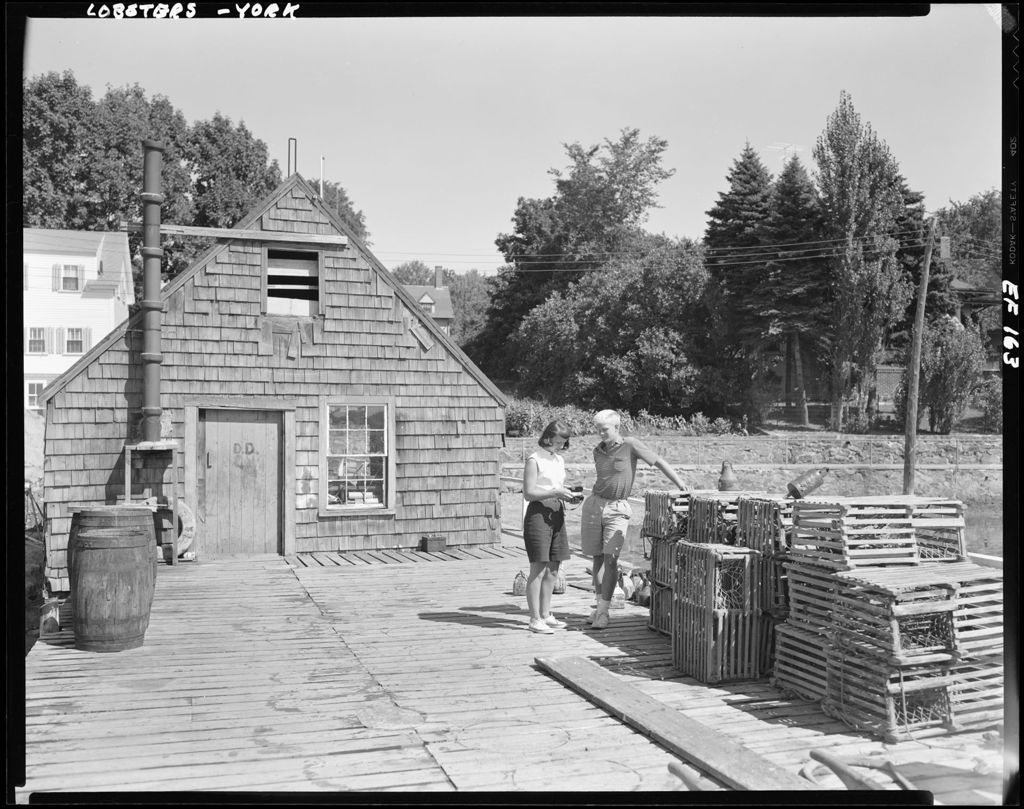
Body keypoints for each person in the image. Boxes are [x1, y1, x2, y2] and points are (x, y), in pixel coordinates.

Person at [582, 409, 687, 629]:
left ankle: (603, 612)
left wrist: (680, 484)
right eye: (598, 430)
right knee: (598, 559)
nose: (601, 434)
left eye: (605, 430)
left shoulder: (630, 445)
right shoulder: (598, 451)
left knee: (611, 559)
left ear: (617, 427)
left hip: (618, 507)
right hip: (594, 505)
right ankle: (599, 607)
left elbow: (658, 462)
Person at [521, 420, 578, 634]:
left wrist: (568, 496)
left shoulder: (559, 460)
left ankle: (546, 614)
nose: (561, 446)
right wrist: (555, 492)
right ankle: (534, 618)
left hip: (557, 512)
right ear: (547, 438)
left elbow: (557, 488)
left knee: (555, 566)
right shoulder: (534, 460)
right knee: (538, 567)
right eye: (557, 442)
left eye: (564, 443)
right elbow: (529, 492)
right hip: (538, 513)